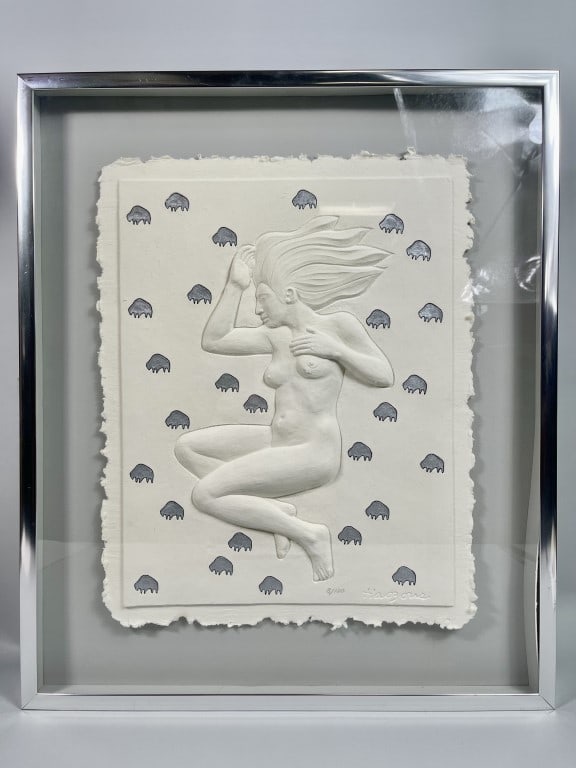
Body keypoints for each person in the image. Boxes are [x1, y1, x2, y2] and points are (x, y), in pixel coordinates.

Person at [174, 216, 394, 581]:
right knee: (186, 448)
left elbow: (383, 375)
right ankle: (265, 513)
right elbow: (215, 340)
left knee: (204, 496)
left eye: (262, 298)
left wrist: (336, 350)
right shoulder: (275, 336)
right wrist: (235, 286)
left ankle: (308, 534)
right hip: (278, 440)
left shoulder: (339, 325)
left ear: (288, 294)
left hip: (313, 451)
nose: (257, 309)